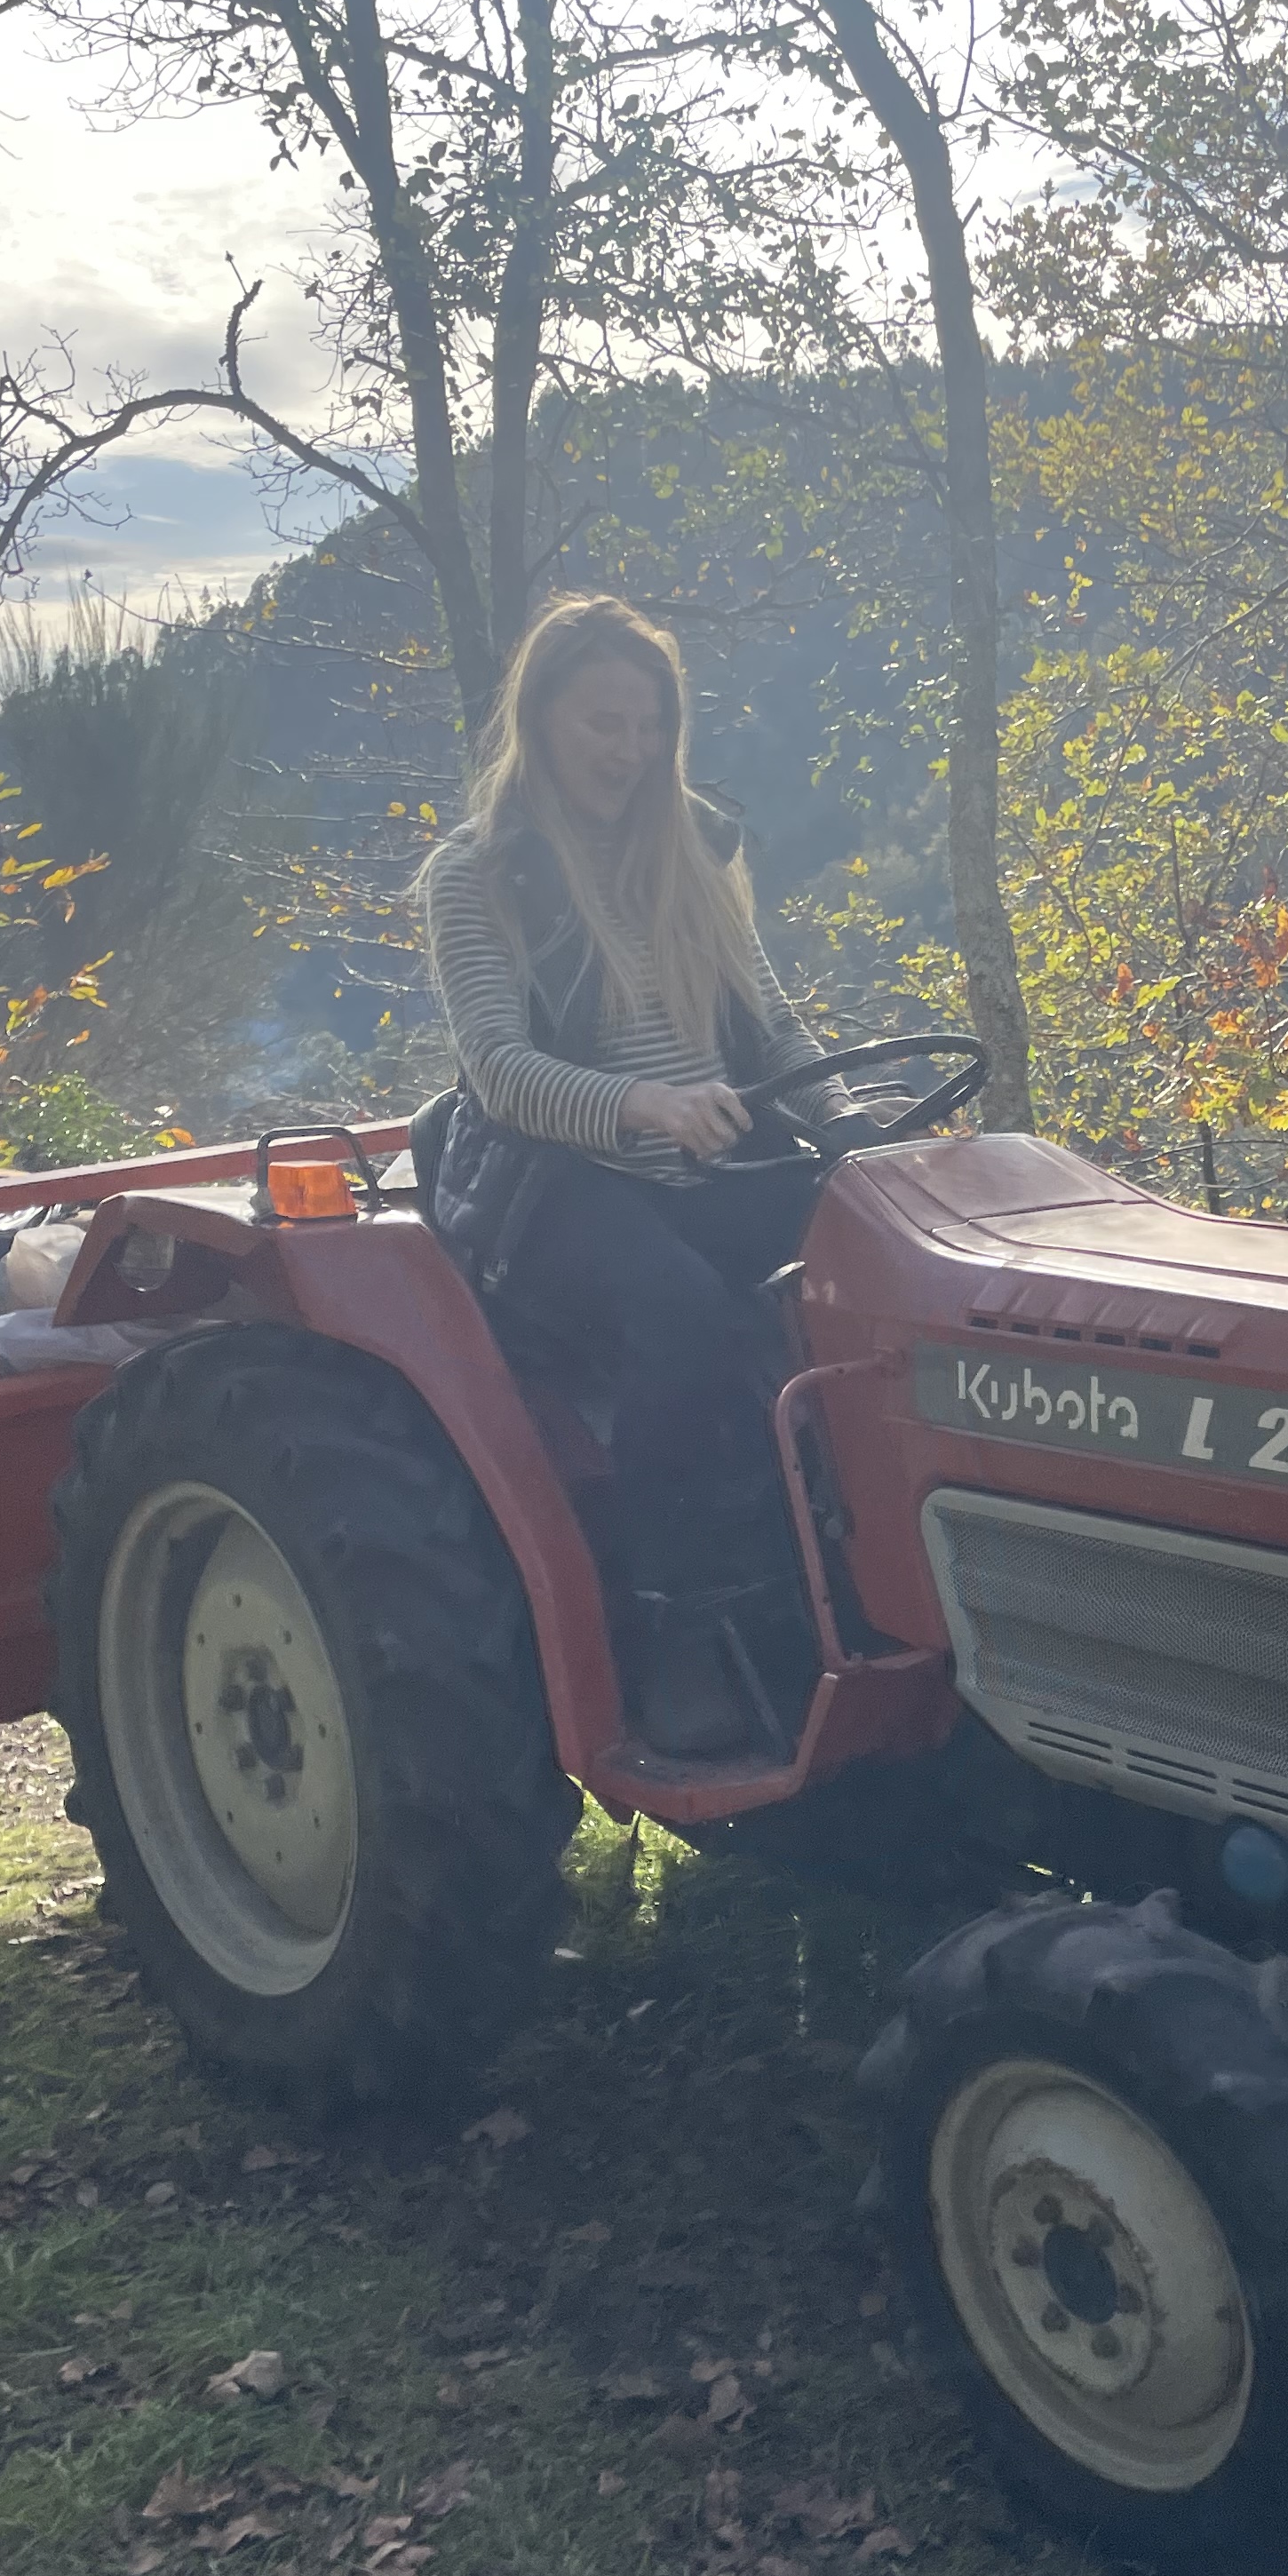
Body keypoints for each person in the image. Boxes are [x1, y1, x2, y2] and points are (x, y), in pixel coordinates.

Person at [420, 595, 847, 1761]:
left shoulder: (695, 846)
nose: (628, 750)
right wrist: (639, 1102)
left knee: (872, 1259)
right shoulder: (480, 875)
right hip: (550, 1184)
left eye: (648, 725)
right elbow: (500, 1071)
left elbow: (772, 1020)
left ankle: (856, 1572)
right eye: (601, 722)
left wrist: (856, 1131)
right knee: (685, 1316)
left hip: (706, 1164)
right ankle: (677, 1633)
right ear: (541, 720)